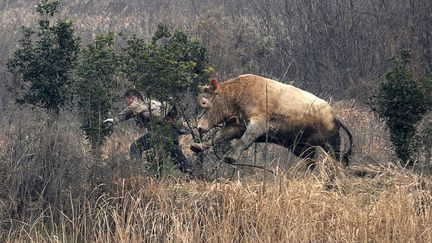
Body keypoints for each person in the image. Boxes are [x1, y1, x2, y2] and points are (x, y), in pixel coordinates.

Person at [103, 89, 191, 174]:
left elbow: (129, 111)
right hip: (172, 130)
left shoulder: (139, 103)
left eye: (127, 101)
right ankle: (190, 174)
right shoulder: (151, 102)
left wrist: (114, 120)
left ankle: (137, 172)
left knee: (135, 147)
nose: (127, 104)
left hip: (161, 130)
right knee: (175, 153)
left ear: (132, 98)